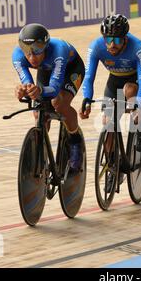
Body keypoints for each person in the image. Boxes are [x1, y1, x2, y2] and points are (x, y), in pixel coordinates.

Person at [12, 23, 85, 171]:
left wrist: (39, 90)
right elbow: (28, 84)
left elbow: (54, 88)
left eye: (37, 51)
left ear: (45, 46)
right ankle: (41, 150)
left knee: (59, 103)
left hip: (71, 69)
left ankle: (75, 141)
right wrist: (23, 90)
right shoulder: (18, 56)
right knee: (39, 111)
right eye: (27, 51)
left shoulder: (59, 50)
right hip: (46, 70)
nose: (32, 57)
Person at [79, 14, 141, 152]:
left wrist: (140, 103)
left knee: (129, 90)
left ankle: (140, 125)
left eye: (117, 40)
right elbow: (88, 77)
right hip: (115, 79)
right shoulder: (96, 47)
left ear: (125, 38)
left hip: (136, 78)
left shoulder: (138, 47)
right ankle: (112, 165)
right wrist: (87, 99)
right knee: (107, 122)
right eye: (109, 39)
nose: (112, 44)